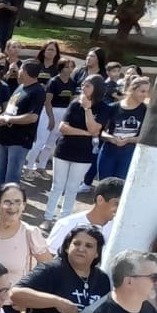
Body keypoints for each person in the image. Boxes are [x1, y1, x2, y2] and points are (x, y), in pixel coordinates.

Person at [45, 74, 108, 225]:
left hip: (84, 154)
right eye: (83, 85)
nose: (83, 88)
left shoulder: (104, 108)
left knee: (72, 188)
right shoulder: (74, 104)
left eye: (88, 86)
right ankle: (48, 217)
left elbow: (94, 128)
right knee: (57, 186)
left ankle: (64, 220)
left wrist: (87, 109)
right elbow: (62, 128)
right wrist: (85, 133)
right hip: (64, 150)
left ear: (96, 89)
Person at [0, 59, 46, 198]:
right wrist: (0, 117)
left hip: (19, 141)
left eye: (20, 69)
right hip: (4, 136)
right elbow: (11, 110)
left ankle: (8, 204)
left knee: (11, 176)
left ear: (25, 71)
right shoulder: (20, 87)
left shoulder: (37, 91)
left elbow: (33, 117)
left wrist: (8, 119)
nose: (18, 71)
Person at [43, 176, 121, 255]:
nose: (120, 209)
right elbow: (48, 259)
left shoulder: (120, 230)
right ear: (100, 200)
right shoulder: (67, 225)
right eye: (116, 203)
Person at [95, 78, 148, 183]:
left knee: (120, 187)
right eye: (142, 91)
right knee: (104, 184)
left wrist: (129, 139)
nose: (145, 95)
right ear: (132, 90)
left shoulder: (145, 110)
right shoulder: (113, 107)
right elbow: (100, 131)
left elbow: (145, 137)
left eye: (147, 91)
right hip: (109, 151)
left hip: (129, 154)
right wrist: (112, 139)